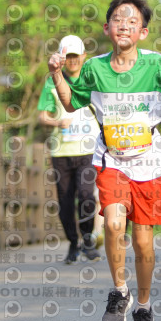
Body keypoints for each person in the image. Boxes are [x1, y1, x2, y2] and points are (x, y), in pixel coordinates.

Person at [48, 0, 161, 321]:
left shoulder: (158, 65)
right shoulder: (94, 68)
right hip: (111, 159)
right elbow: (70, 104)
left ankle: (143, 309)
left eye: (132, 21)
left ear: (142, 32)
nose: (124, 25)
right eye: (118, 19)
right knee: (114, 224)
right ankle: (120, 291)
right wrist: (56, 74)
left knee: (144, 242)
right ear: (107, 28)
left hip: (148, 163)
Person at [37, 34, 102, 264]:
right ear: (62, 58)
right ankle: (73, 244)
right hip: (61, 151)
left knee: (86, 195)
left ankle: (88, 240)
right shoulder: (51, 81)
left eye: (76, 56)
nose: (73, 60)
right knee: (65, 201)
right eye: (69, 56)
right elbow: (42, 115)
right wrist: (57, 122)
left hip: (88, 149)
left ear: (84, 56)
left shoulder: (93, 79)